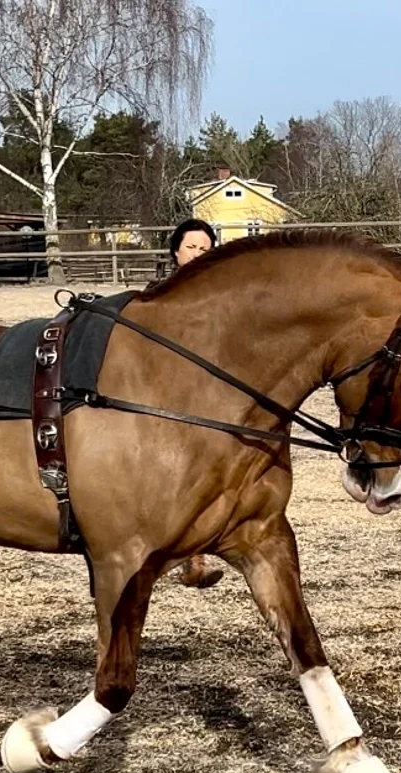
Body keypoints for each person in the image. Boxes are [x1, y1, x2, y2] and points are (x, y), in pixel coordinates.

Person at [165, 219, 225, 590]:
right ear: (176, 252)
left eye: (205, 249)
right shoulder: (161, 296)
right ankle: (191, 555)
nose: (198, 255)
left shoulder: (223, 298)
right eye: (191, 248)